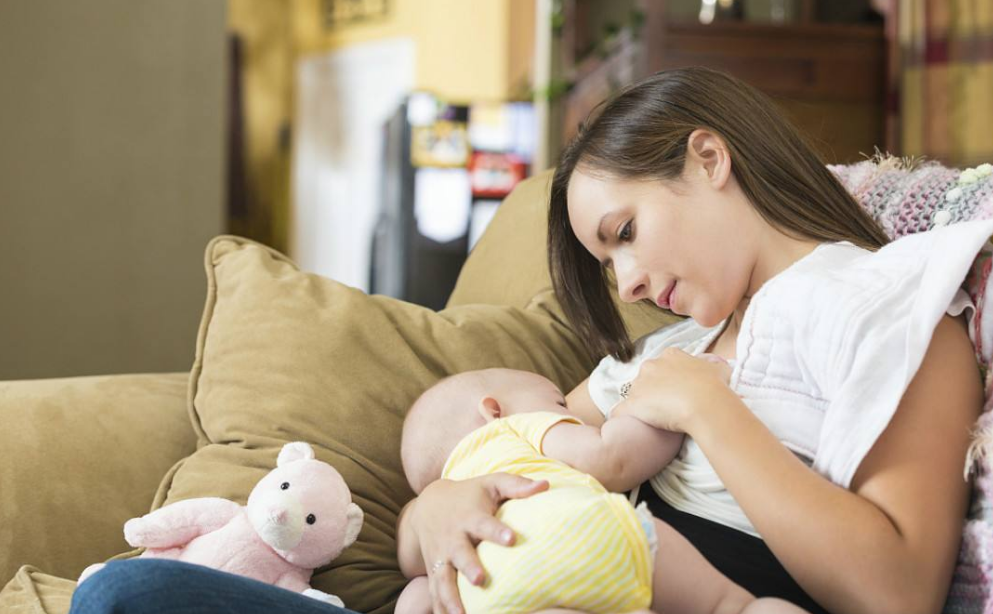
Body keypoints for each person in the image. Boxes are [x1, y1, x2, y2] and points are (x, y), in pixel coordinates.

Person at [396, 66, 987, 614]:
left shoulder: (892, 306)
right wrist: (437, 506)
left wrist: (707, 409)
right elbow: (496, 443)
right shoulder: (659, 355)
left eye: (626, 232)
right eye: (608, 264)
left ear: (708, 159)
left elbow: (900, 593)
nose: (627, 286)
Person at [397, 368, 805, 614]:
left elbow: (414, 574)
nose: (573, 416)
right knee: (730, 607)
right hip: (584, 536)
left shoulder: (442, 528)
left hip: (492, 595)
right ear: (494, 410)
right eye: (560, 405)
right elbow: (611, 458)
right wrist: (655, 409)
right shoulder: (512, 429)